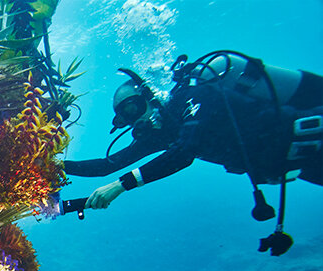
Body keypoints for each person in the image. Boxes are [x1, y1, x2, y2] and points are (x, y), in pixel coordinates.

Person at [64, 50, 322, 255]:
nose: (134, 120)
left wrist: (121, 186)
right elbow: (106, 164)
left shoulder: (195, 96)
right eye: (125, 117)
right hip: (296, 163)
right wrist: (55, 165)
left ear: (150, 96)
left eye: (134, 108)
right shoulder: (165, 132)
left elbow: (186, 152)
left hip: (310, 133)